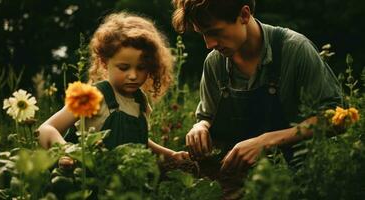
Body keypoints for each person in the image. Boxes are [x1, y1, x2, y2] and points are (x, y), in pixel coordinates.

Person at [172, 0, 342, 192]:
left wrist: (266, 141)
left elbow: (334, 117)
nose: (209, 44)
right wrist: (200, 126)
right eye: (202, 34)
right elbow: (207, 116)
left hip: (295, 183)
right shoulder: (214, 63)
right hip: (235, 184)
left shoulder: (295, 49)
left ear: (244, 15)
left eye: (215, 32)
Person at [38, 12, 189, 161]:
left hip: (125, 182)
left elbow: (139, 143)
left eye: (141, 68)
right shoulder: (92, 96)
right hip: (85, 179)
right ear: (104, 62)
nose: (133, 75)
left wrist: (171, 155)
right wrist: (66, 152)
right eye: (123, 67)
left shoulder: (140, 102)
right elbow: (46, 129)